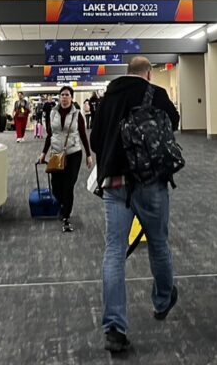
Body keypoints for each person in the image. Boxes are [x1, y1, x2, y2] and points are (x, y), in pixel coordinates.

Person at [89, 57, 180, 354]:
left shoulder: (108, 98)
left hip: (115, 183)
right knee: (158, 242)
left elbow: (96, 140)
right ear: (148, 73)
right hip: (150, 181)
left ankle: (114, 329)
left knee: (114, 251)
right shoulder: (156, 94)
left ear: (127, 72)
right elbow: (172, 125)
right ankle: (163, 299)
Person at [38, 87, 93, 233]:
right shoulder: (53, 113)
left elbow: (83, 134)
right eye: (62, 95)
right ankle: (63, 204)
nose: (64, 97)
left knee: (68, 185)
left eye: (67, 95)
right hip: (56, 154)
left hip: (73, 153)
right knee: (56, 186)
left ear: (71, 98)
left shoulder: (77, 114)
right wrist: (44, 153)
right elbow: (50, 135)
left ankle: (66, 215)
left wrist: (88, 155)